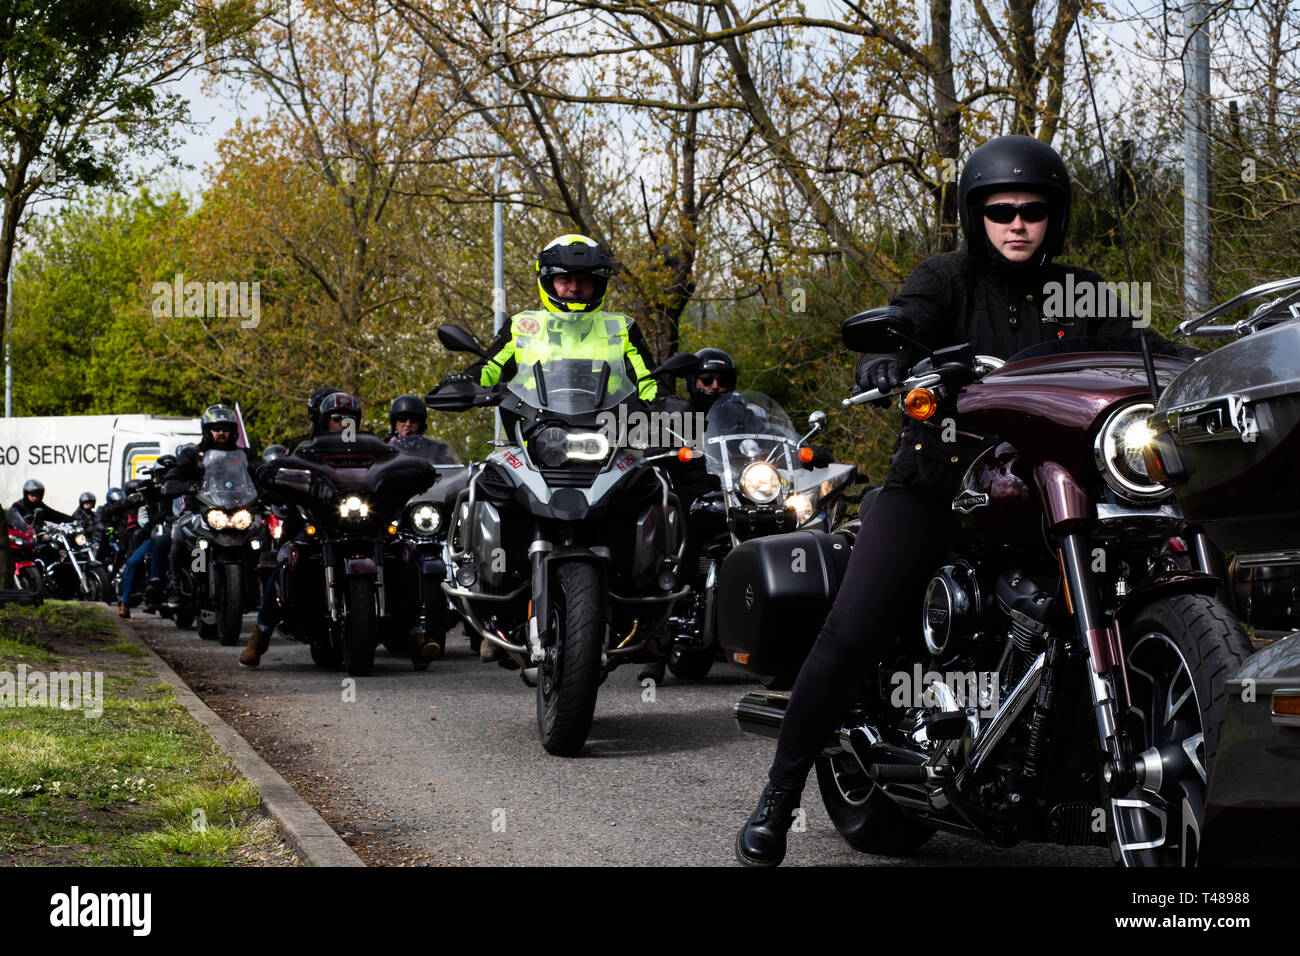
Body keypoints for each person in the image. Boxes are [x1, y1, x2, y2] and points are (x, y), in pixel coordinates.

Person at [735, 134, 1192, 867]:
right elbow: (907, 318)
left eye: (1034, 210)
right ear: (975, 216)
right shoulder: (945, 278)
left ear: (1055, 217)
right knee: (853, 628)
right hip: (943, 484)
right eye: (1001, 210)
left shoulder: (1085, 292)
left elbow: (1151, 350)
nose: (1017, 223)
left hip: (1055, 484)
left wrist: (1200, 372)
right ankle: (778, 797)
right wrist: (891, 354)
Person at [437, 234, 660, 406]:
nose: (574, 288)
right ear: (548, 281)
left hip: (610, 439)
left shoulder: (620, 329)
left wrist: (664, 402)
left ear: (598, 284)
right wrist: (465, 381)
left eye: (584, 280)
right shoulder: (523, 327)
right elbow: (489, 368)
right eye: (565, 279)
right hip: (527, 442)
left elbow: (649, 382)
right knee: (488, 468)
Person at [164, 405, 250, 607]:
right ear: (207, 429)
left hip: (236, 511)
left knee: (258, 537)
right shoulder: (193, 454)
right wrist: (176, 483)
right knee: (178, 534)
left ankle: (255, 588)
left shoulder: (243, 455)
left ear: (233, 430)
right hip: (198, 510)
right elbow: (176, 474)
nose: (221, 432)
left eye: (225, 428)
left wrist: (268, 479)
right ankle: (178, 585)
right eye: (216, 428)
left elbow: (259, 472)